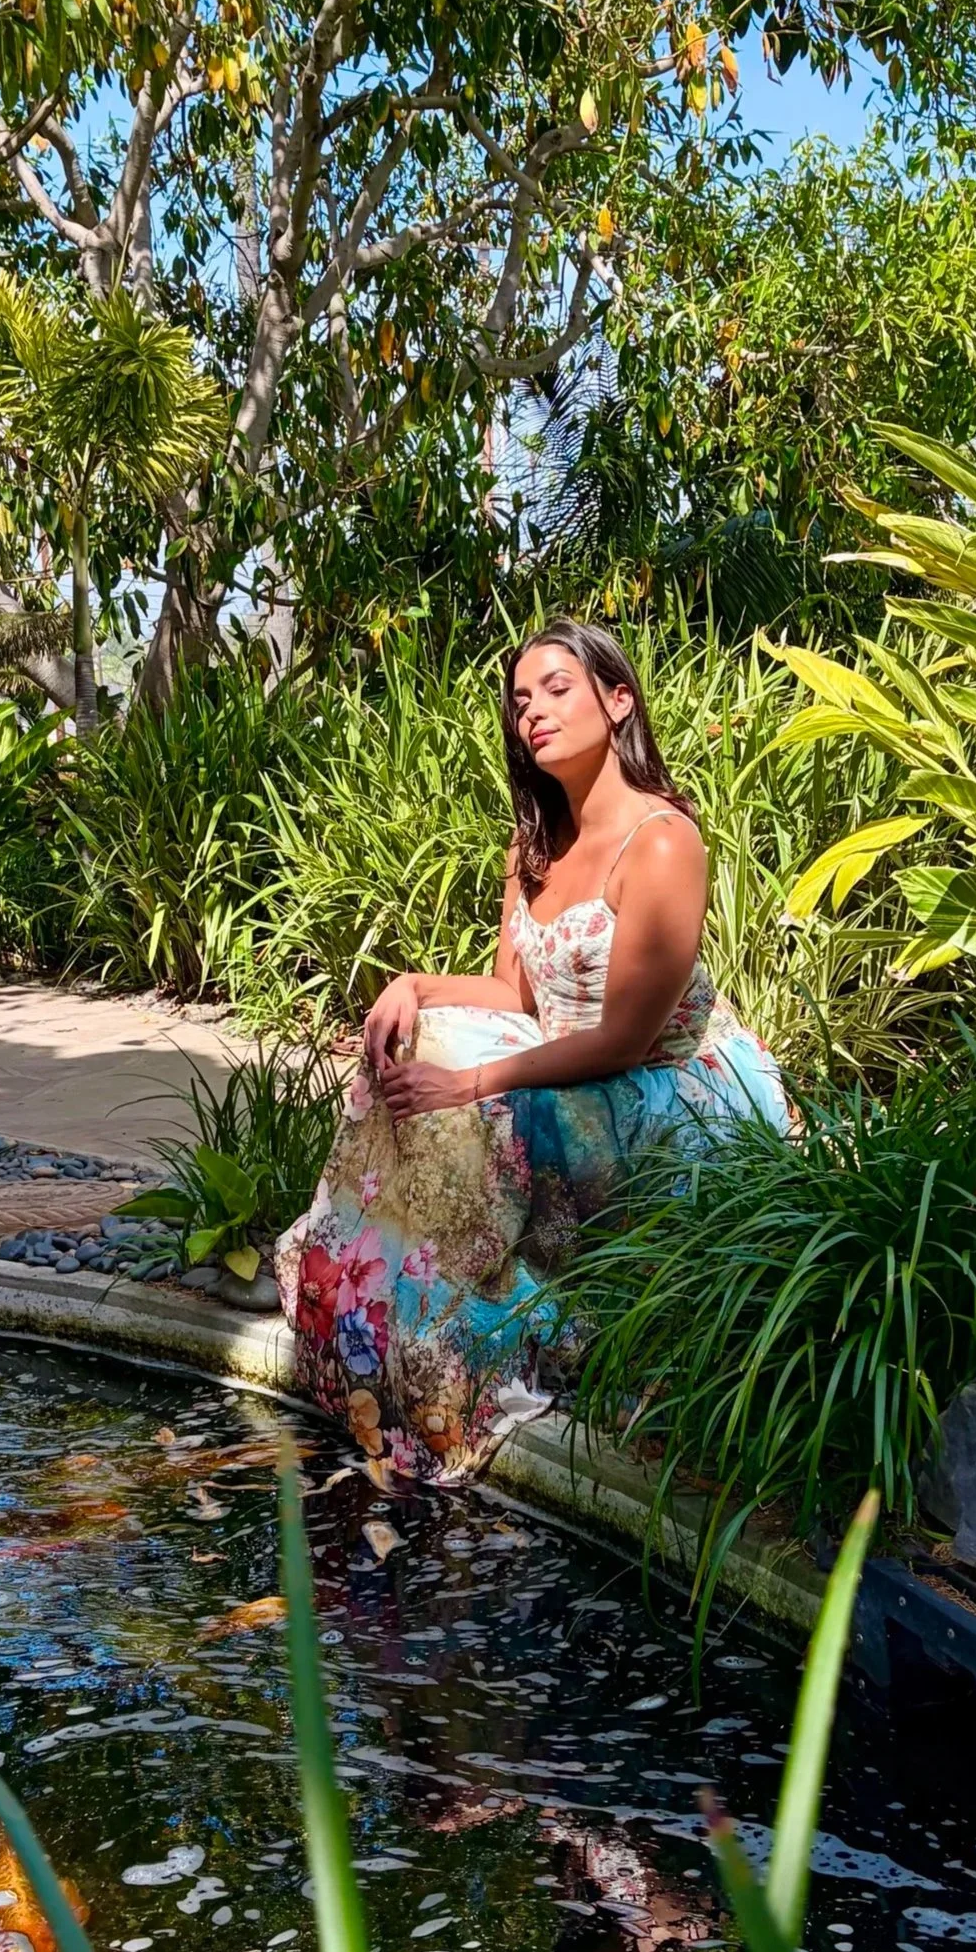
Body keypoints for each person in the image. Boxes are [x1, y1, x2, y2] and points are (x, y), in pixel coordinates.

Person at [275, 619, 786, 1484]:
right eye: (520, 701)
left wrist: (469, 1083)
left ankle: (480, 1325)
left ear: (617, 700)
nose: (533, 713)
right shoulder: (536, 843)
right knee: (405, 1043)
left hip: (662, 1087)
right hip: (569, 1057)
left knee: (484, 1100)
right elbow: (517, 995)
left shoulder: (663, 840)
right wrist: (416, 985)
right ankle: (377, 1302)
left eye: (556, 688)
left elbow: (624, 1039)